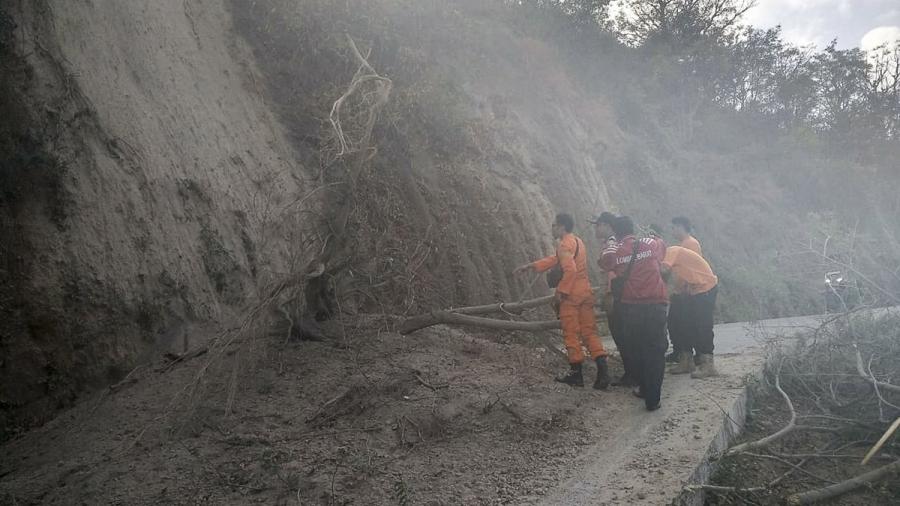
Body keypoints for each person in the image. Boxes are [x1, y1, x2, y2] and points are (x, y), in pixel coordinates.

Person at [515, 213, 610, 390]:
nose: (551, 228)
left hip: (571, 296)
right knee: (589, 332)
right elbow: (556, 259)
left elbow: (570, 270)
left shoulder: (564, 244)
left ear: (561, 227)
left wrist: (561, 291)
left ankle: (576, 375)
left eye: (553, 225)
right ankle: (603, 373)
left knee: (571, 333)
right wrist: (532, 266)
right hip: (585, 292)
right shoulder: (577, 242)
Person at [599, 216, 668, 411]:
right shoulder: (647, 243)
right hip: (656, 304)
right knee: (655, 350)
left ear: (616, 232)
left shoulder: (616, 250)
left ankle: (644, 387)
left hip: (631, 309)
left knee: (636, 349)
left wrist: (611, 242)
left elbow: (605, 262)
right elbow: (661, 246)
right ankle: (652, 398)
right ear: (633, 229)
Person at [589, 212, 637, 387]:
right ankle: (633, 373)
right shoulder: (616, 243)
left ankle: (632, 375)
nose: (596, 229)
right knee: (625, 336)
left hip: (617, 296)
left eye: (598, 225)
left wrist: (609, 294)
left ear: (608, 226)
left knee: (622, 336)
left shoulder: (612, 244)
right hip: (623, 294)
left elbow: (612, 271)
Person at [660, 246, 719, 378]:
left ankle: (708, 364)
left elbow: (663, 270)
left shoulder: (671, 252)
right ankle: (686, 361)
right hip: (693, 290)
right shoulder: (673, 257)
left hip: (706, 288)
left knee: (703, 326)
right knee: (683, 324)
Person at [667, 216, 702, 363]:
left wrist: (683, 287)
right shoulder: (684, 244)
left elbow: (691, 268)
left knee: (681, 322)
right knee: (676, 322)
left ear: (681, 227)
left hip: (686, 290)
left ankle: (686, 352)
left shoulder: (690, 244)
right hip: (681, 289)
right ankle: (680, 351)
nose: (673, 231)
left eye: (674, 227)